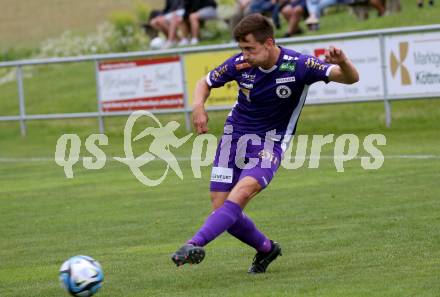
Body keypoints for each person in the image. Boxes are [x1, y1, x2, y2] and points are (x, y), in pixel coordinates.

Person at [171, 13, 359, 273]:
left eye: (250, 48)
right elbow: (205, 82)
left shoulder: (299, 65)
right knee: (221, 206)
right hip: (233, 138)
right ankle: (267, 249)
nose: (245, 55)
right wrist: (198, 106)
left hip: (270, 144)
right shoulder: (240, 64)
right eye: (241, 49)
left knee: (242, 192)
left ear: (269, 43)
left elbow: (349, 78)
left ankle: (194, 243)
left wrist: (344, 62)